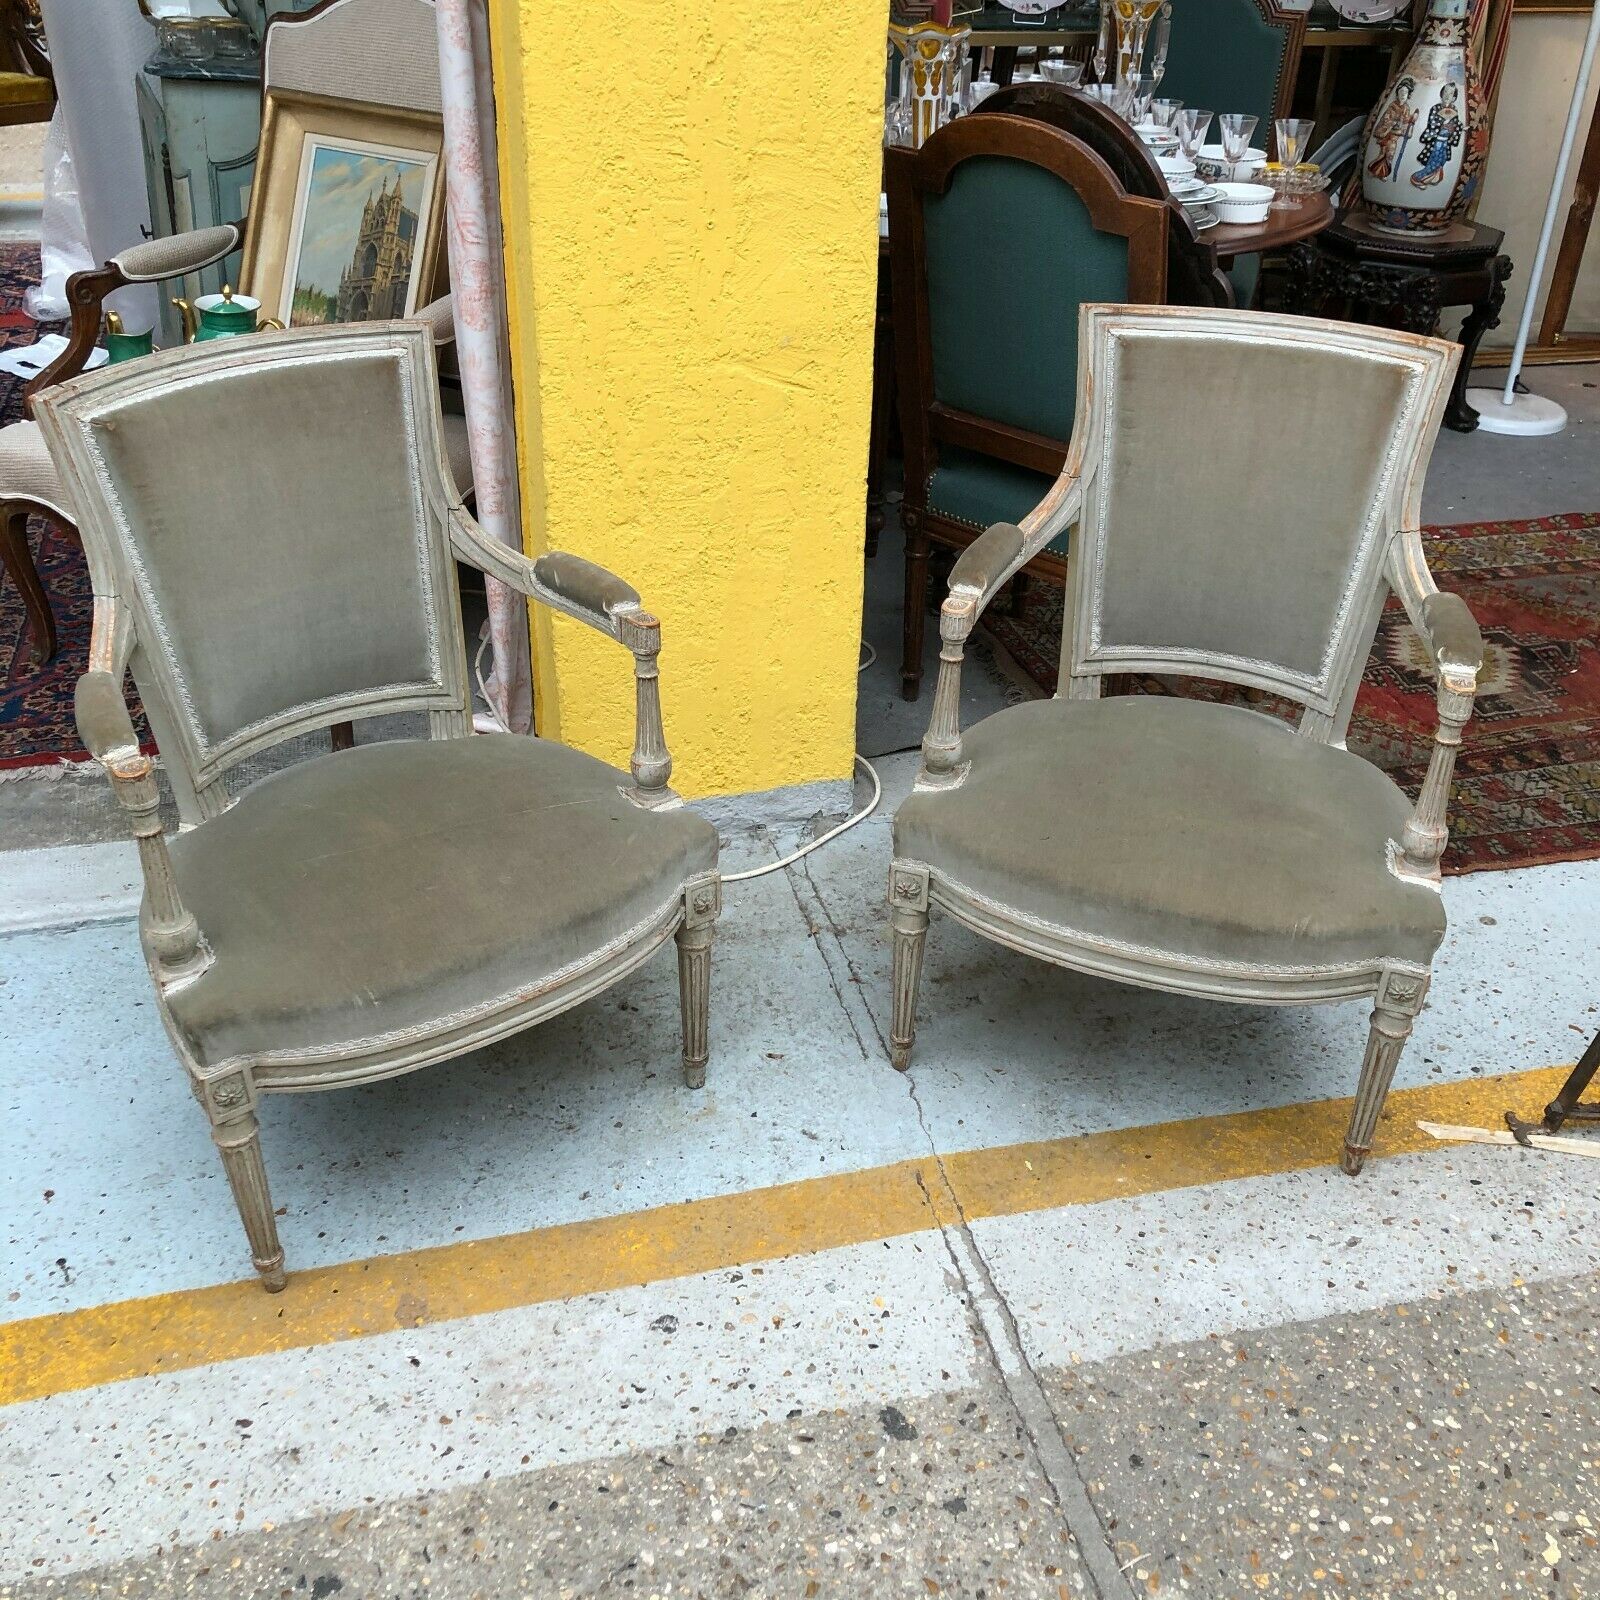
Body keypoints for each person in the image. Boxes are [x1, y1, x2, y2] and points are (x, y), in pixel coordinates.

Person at [1411, 81, 1464, 190]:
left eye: (1450, 94)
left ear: (1454, 98)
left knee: (1442, 160)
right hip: (1437, 141)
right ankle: (1417, 178)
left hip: (1446, 142)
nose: (1447, 96)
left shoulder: (1454, 110)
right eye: (1445, 92)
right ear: (1441, 93)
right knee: (1434, 161)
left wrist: (1459, 127)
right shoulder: (1435, 108)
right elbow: (1432, 123)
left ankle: (1430, 179)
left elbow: (1456, 124)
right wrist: (1442, 125)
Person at [1366, 77, 1416, 183]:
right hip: (1388, 134)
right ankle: (1373, 169)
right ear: (1397, 93)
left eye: (1405, 92)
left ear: (1409, 95)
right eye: (1401, 91)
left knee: (1390, 155)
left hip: (1395, 136)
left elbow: (1406, 121)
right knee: (1384, 153)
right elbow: (1386, 118)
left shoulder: (1406, 108)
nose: (1403, 94)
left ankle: (1382, 173)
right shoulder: (1392, 105)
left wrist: (1409, 122)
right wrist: (1393, 123)